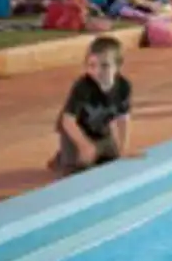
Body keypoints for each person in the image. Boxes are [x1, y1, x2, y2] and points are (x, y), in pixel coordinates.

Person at [52, 36, 132, 174]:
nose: (97, 71)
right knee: (79, 171)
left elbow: (123, 118)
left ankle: (88, 150)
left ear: (118, 66)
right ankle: (63, 158)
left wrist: (123, 148)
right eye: (92, 65)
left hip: (101, 130)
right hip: (75, 130)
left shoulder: (123, 87)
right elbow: (68, 121)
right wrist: (84, 145)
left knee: (111, 164)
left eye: (105, 66)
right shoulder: (83, 87)